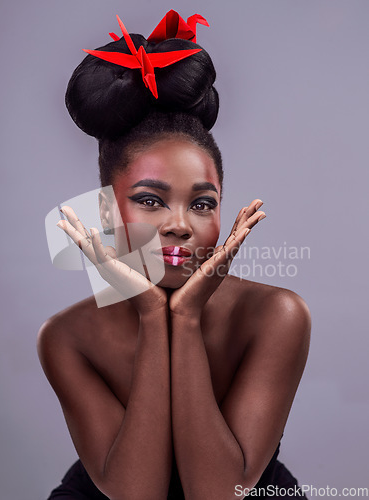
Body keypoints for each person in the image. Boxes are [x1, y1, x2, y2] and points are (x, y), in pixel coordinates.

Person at [37, 10, 311, 500]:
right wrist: (149, 313)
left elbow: (219, 492)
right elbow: (135, 495)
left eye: (202, 203)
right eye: (150, 200)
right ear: (106, 210)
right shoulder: (66, 337)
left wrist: (183, 320)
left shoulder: (277, 314)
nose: (181, 224)